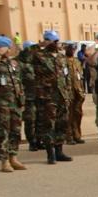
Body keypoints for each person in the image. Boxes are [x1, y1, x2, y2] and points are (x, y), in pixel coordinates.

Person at [32, 30, 72, 164]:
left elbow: (67, 76)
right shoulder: (38, 56)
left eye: (57, 41)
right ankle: (50, 154)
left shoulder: (61, 57)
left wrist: (68, 93)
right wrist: (40, 45)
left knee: (62, 123)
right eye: (53, 41)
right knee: (49, 124)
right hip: (47, 96)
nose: (56, 43)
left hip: (62, 96)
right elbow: (24, 56)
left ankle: (59, 151)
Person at [0, 35, 27, 172]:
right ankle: (4, 161)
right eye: (7, 47)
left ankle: (13, 157)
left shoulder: (12, 63)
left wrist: (21, 101)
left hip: (15, 103)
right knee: (3, 132)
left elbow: (18, 81)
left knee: (15, 131)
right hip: (1, 104)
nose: (9, 50)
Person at [17, 41, 40, 151]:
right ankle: (32, 142)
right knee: (30, 120)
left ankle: (39, 140)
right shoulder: (20, 63)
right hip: (28, 97)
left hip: (38, 95)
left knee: (39, 119)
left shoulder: (35, 62)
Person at [64, 42, 86, 144]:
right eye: (70, 48)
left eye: (74, 48)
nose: (72, 50)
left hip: (78, 91)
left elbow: (80, 76)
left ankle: (77, 135)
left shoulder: (76, 61)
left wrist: (82, 90)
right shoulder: (62, 61)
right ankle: (69, 136)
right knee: (69, 115)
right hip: (68, 92)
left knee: (78, 114)